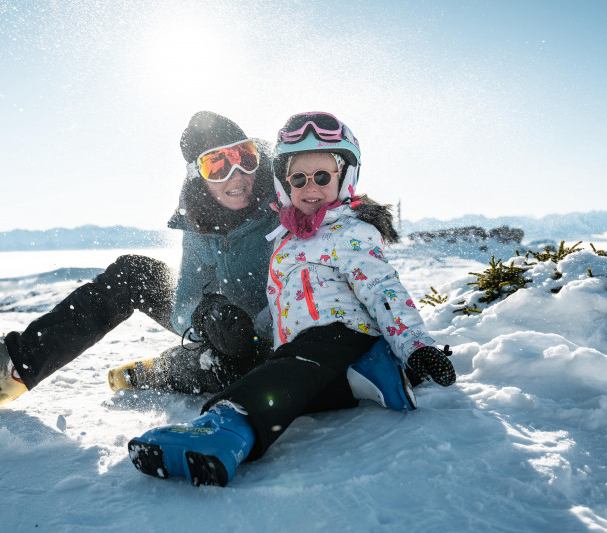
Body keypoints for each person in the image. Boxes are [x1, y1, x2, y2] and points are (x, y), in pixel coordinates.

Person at [127, 111, 457, 487]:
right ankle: (375, 374)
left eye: (322, 177)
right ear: (284, 185)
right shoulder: (285, 238)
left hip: (341, 331)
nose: (310, 187)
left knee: (288, 373)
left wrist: (416, 345)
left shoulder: (350, 233)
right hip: (318, 347)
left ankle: (226, 430)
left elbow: (384, 290)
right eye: (298, 178)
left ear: (344, 178)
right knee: (302, 384)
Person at [0, 111, 279, 410]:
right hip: (226, 326)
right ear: (196, 175)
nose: (237, 175)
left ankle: (159, 371)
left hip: (274, 333)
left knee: (227, 365)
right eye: (218, 165)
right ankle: (15, 369)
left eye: (244, 156)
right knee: (132, 273)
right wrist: (205, 316)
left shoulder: (285, 190)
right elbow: (183, 307)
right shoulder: (199, 222)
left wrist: (257, 332)